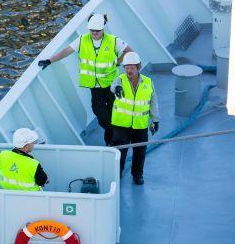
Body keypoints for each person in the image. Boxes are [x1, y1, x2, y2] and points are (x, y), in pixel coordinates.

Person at [38, 13, 132, 145]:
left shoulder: (113, 40)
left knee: (113, 115)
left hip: (112, 85)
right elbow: (66, 51)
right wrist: (50, 60)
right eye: (92, 31)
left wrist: (118, 61)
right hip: (95, 87)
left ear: (103, 29)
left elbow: (129, 51)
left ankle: (112, 143)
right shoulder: (82, 40)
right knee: (101, 115)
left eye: (97, 31)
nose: (94, 33)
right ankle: (116, 136)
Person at [110, 52, 159, 185]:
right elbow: (113, 87)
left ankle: (137, 175)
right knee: (120, 152)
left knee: (140, 152)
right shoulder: (120, 80)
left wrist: (155, 120)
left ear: (138, 67)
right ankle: (116, 175)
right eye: (126, 67)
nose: (129, 70)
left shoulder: (148, 82)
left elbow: (153, 102)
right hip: (121, 124)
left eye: (132, 67)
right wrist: (117, 88)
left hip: (140, 125)